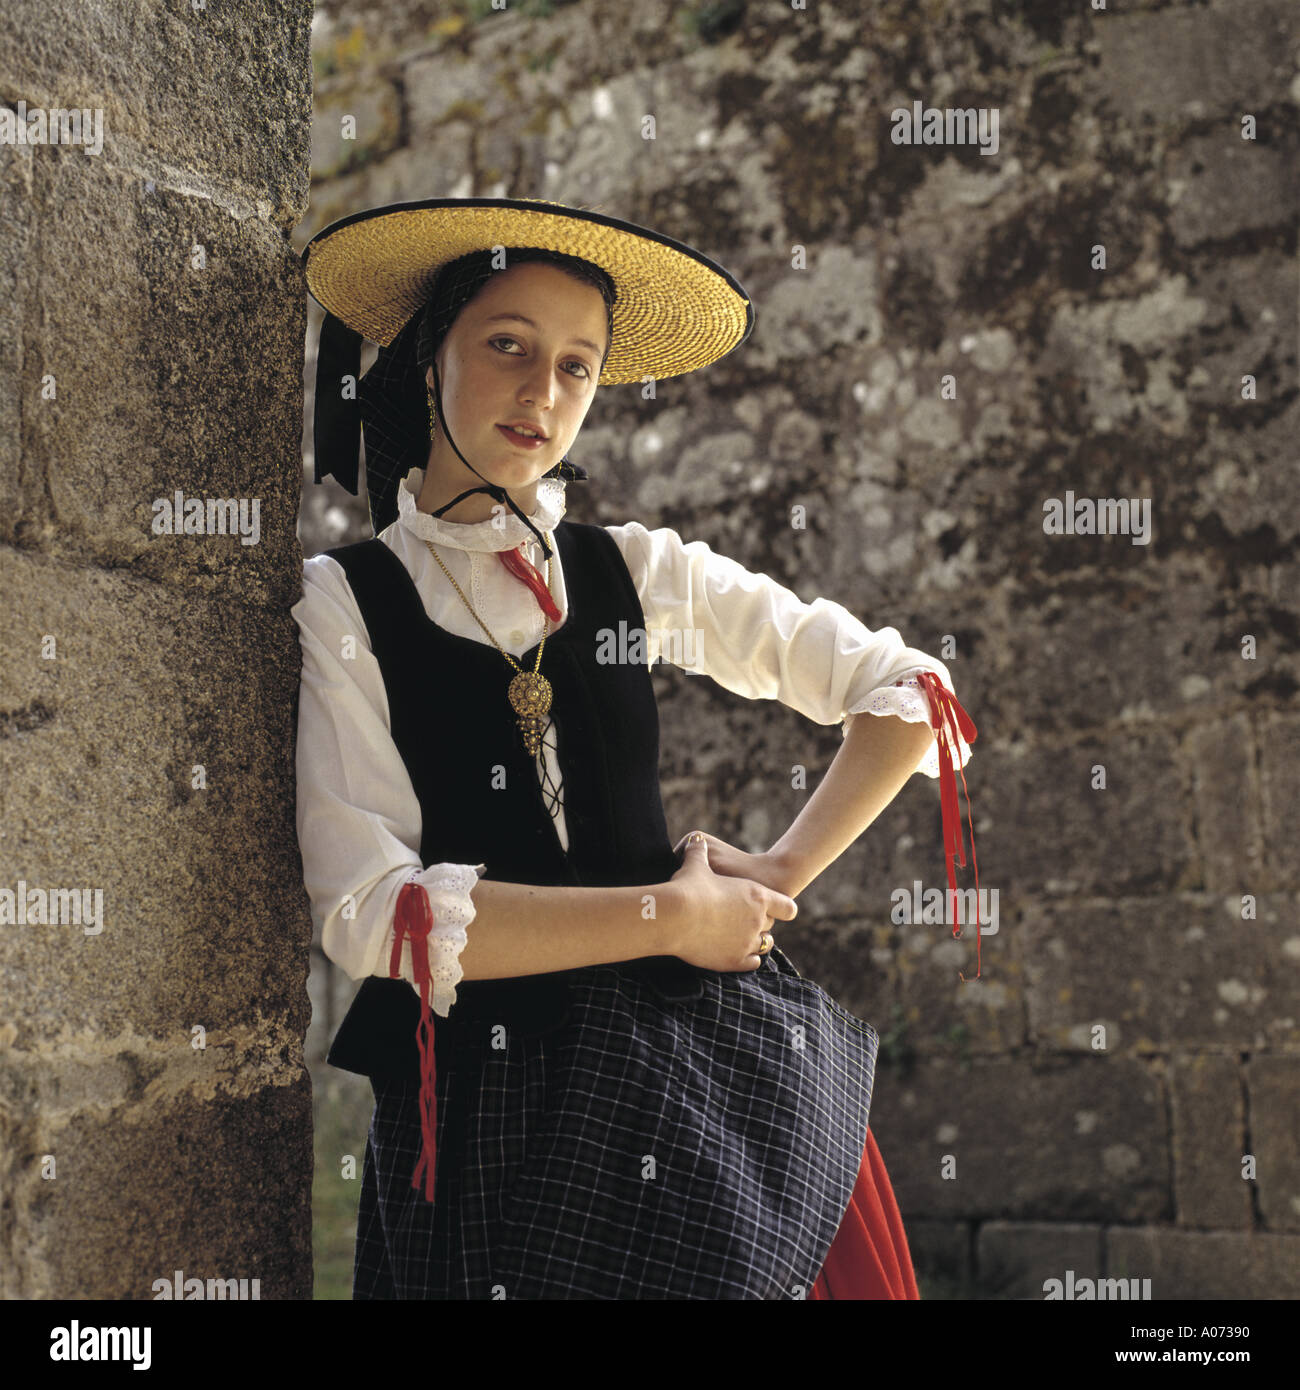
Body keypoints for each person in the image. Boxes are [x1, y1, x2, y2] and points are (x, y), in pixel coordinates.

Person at [292, 197, 978, 1300]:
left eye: (577, 366)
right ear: (429, 357)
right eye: (506, 345)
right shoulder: (348, 604)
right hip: (490, 1117)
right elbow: (376, 916)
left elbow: (914, 694)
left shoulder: (632, 571)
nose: (542, 392)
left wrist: (780, 874)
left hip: (700, 1089)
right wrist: (673, 915)